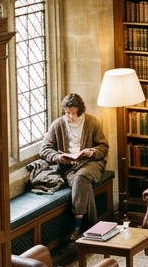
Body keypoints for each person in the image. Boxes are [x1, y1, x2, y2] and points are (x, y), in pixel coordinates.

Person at [38, 93, 109, 237]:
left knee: (82, 177)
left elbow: (104, 146)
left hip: (91, 163)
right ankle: (91, 227)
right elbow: (44, 149)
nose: (69, 117)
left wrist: (91, 152)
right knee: (82, 183)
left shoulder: (92, 122)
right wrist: (59, 157)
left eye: (73, 113)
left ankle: (77, 226)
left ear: (80, 111)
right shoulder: (58, 124)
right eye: (67, 113)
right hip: (69, 166)